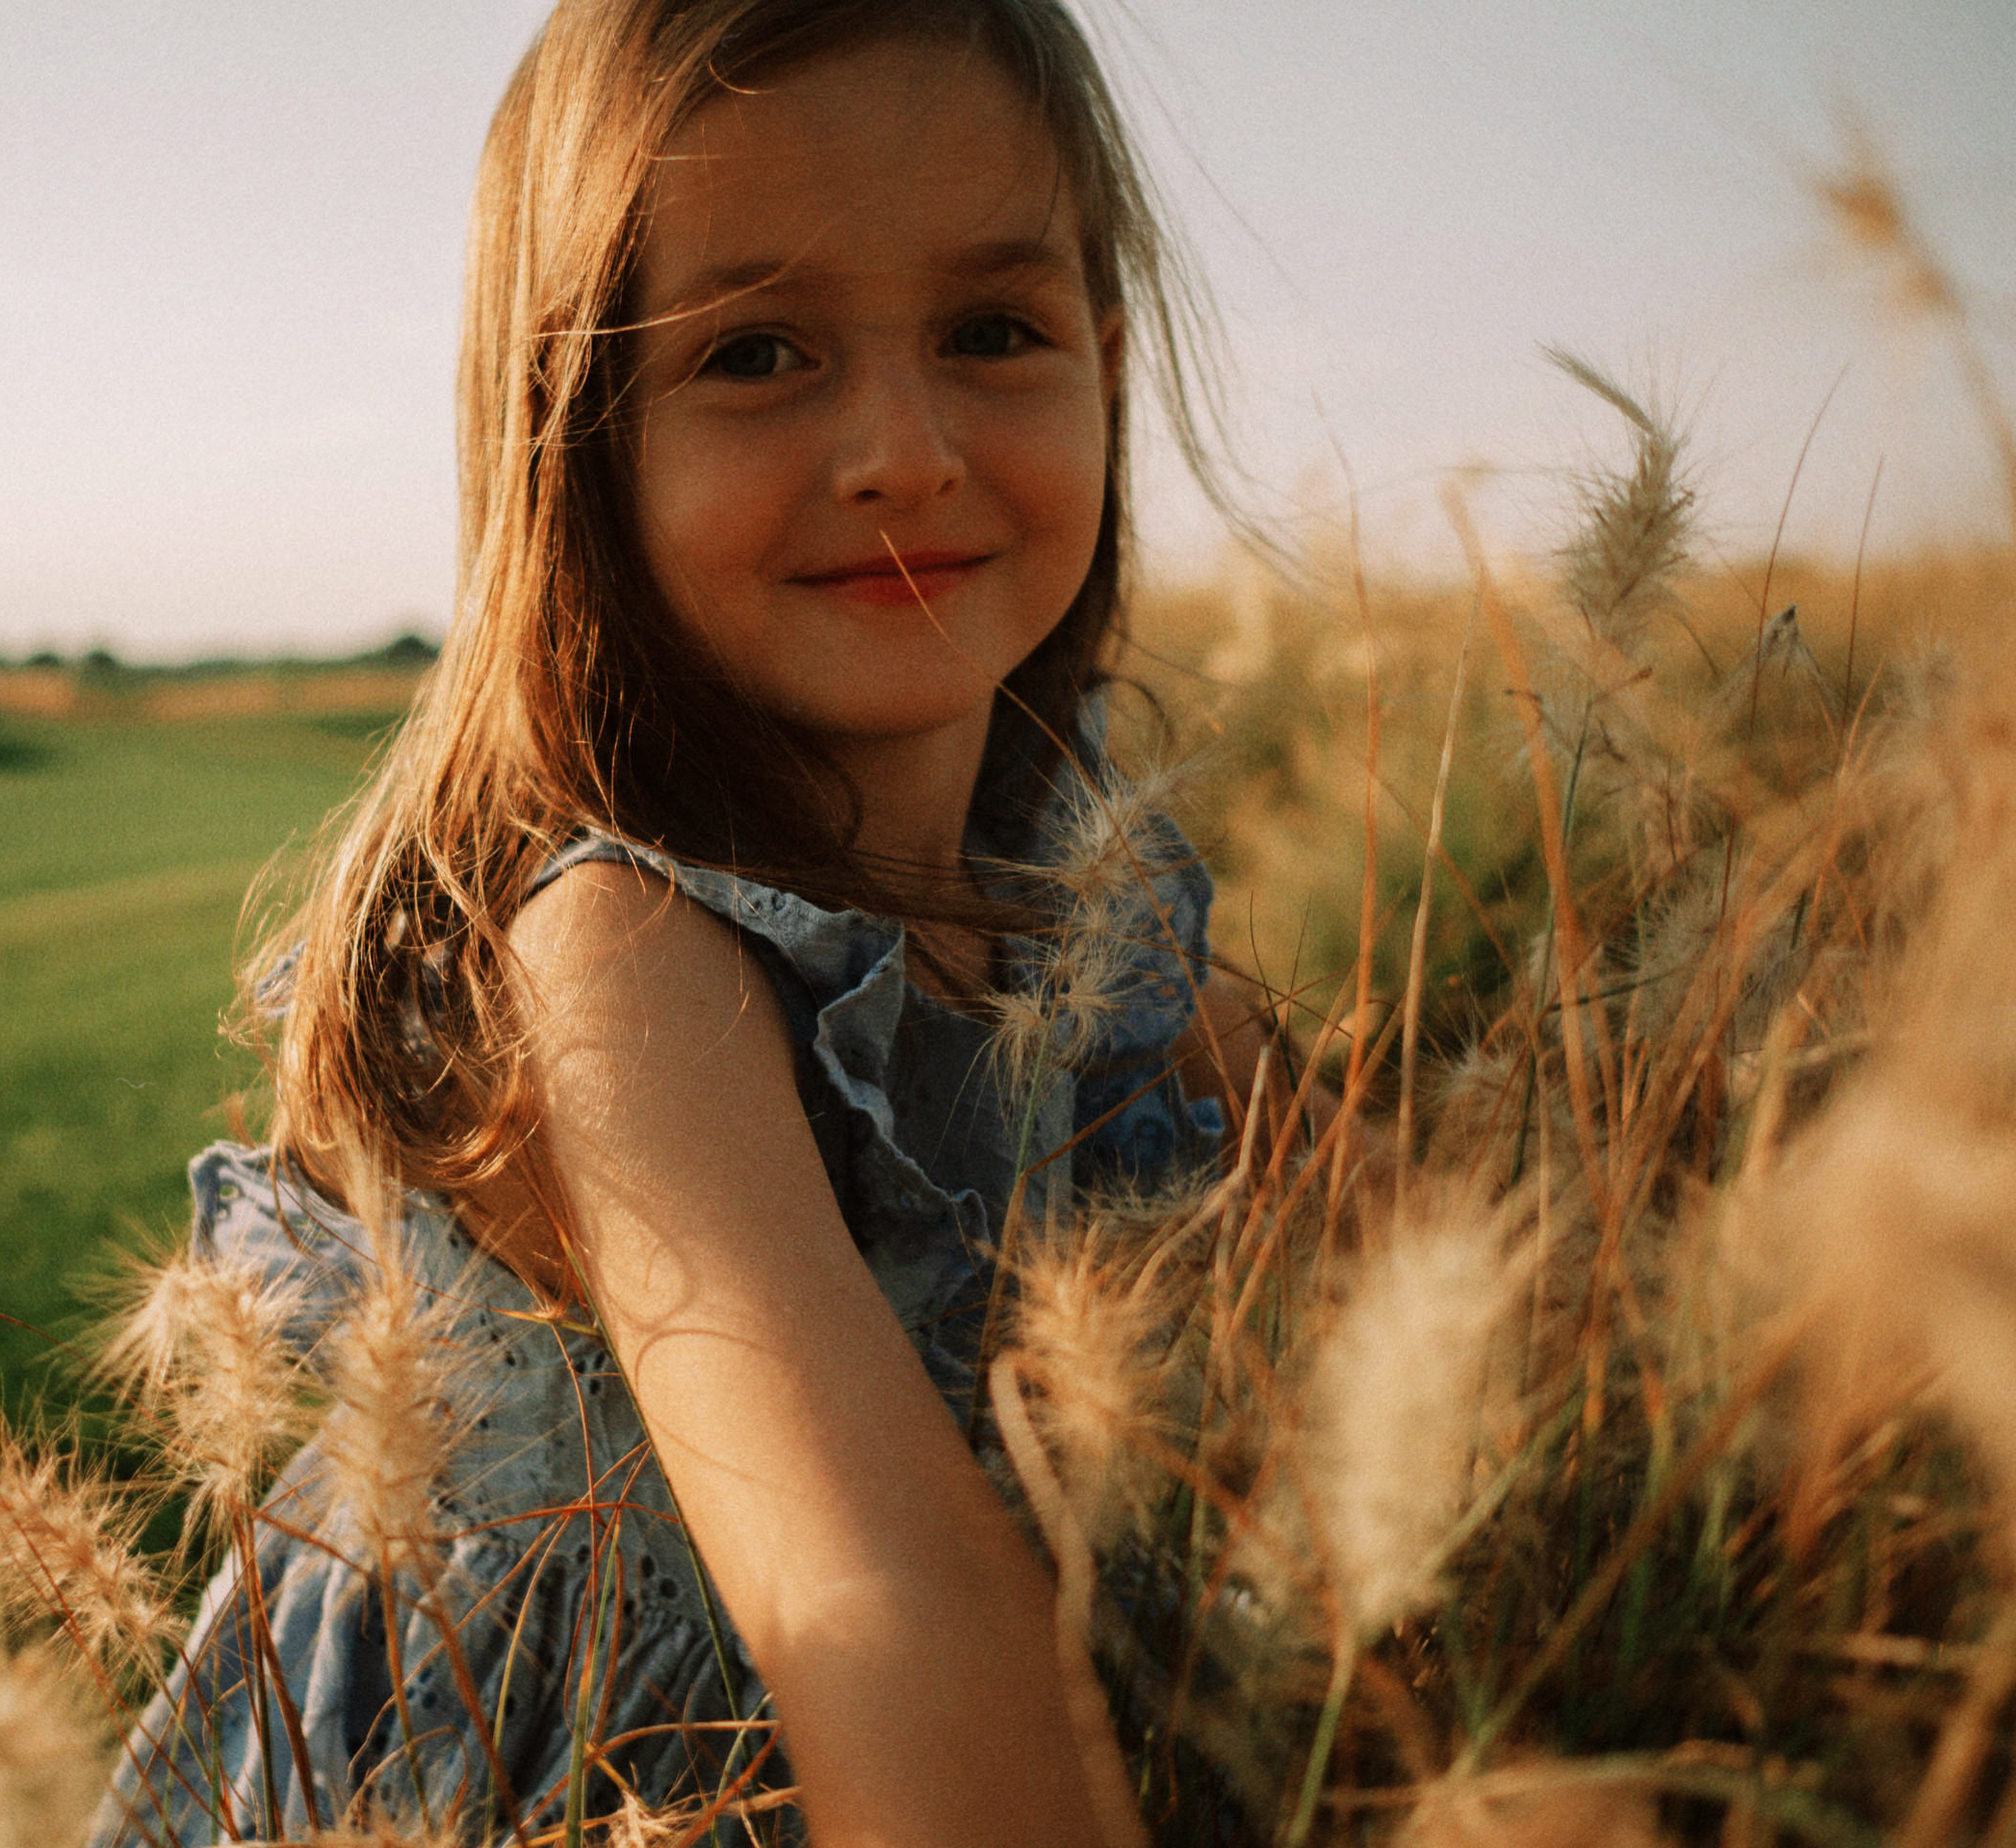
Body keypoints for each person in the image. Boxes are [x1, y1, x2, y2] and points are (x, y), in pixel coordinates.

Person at [98, 2, 1276, 1842]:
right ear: (574, 436)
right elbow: (877, 1606)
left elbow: (1355, 1211)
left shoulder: (1088, 887)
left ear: (1105, 368)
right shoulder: (625, 957)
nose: (904, 450)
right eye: (757, 353)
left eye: (991, 330)